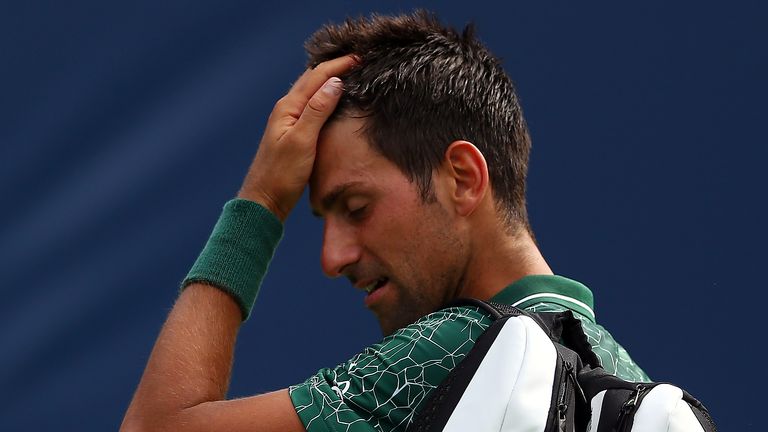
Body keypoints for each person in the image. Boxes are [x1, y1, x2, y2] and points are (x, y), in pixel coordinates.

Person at [121, 11, 649, 432]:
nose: (333, 258)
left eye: (356, 208)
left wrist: (260, 200)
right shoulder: (625, 375)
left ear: (463, 179)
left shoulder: (451, 348)